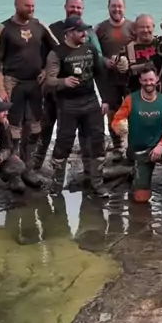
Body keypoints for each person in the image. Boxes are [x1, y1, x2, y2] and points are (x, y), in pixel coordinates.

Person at [34, 0, 103, 172]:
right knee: (47, 129)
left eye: (79, 7)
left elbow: (98, 58)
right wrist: (45, 72)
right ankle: (36, 167)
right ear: (65, 7)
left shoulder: (89, 33)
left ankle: (88, 171)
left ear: (83, 9)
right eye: (72, 6)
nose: (75, 10)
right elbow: (41, 56)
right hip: (53, 93)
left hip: (81, 95)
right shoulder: (53, 29)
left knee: (85, 133)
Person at [0, 0, 58, 169]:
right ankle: (12, 161)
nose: (31, 9)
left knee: (35, 124)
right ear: (16, 5)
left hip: (35, 82)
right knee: (12, 123)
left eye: (33, 6)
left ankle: (29, 163)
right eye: (27, 6)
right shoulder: (4, 28)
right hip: (12, 82)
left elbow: (58, 49)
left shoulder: (39, 25)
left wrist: (47, 70)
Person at [44, 17, 109, 197]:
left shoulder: (90, 49)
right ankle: (56, 184)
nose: (85, 34)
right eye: (81, 31)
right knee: (63, 143)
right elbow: (48, 81)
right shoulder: (56, 53)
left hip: (90, 100)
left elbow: (100, 75)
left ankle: (97, 182)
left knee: (97, 140)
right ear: (69, 32)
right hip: (68, 104)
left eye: (86, 30)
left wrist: (105, 99)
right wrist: (63, 81)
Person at [111, 63, 162, 204]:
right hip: (140, 151)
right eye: (145, 80)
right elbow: (117, 119)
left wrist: (161, 145)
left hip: (160, 147)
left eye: (151, 79)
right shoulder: (131, 99)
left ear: (156, 79)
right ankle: (136, 176)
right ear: (140, 81)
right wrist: (118, 126)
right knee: (141, 198)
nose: (148, 83)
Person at [95, 0, 135, 158]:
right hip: (109, 79)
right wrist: (105, 61)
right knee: (112, 112)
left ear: (124, 8)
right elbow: (94, 51)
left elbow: (142, 46)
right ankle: (117, 146)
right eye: (113, 6)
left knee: (132, 111)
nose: (117, 9)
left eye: (119, 6)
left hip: (129, 78)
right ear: (108, 7)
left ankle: (133, 144)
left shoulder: (132, 26)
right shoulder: (100, 28)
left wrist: (130, 63)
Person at [125, 14, 162, 96]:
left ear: (153, 27)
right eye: (142, 27)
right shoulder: (128, 49)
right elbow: (122, 73)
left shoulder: (161, 44)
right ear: (135, 29)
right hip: (137, 96)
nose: (145, 30)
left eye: (148, 27)